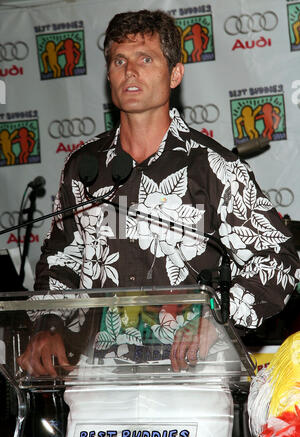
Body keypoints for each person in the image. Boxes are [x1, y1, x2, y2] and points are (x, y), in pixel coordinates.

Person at [17, 9, 300, 380]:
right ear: (108, 74)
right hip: (96, 374)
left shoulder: (212, 167)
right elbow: (60, 261)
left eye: (145, 58)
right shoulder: (84, 167)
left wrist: (220, 319)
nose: (130, 70)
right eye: (120, 60)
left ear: (175, 74)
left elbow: (279, 258)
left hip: (193, 374)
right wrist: (49, 323)